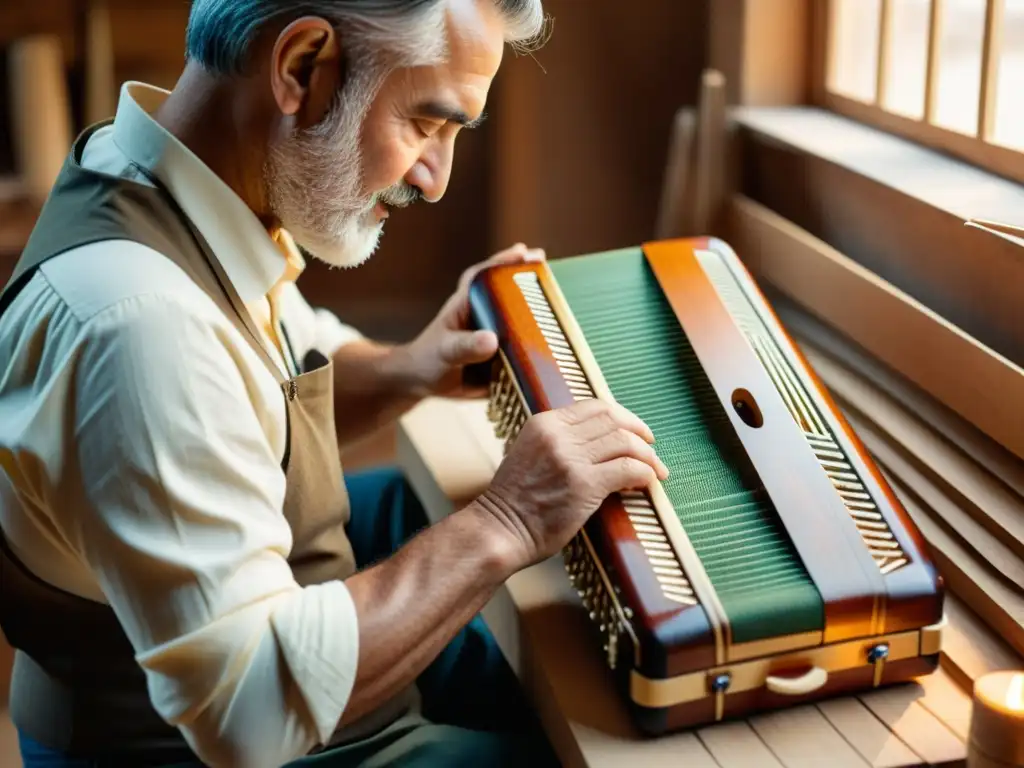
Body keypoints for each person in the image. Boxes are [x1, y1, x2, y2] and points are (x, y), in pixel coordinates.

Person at [0, 1, 670, 766]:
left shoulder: (163, 179)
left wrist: (413, 367)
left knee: (427, 525)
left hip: (242, 660)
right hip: (211, 735)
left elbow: (266, 375)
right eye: (426, 122)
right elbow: (249, 710)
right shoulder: (139, 325)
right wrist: (507, 520)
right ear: (301, 68)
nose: (436, 178)